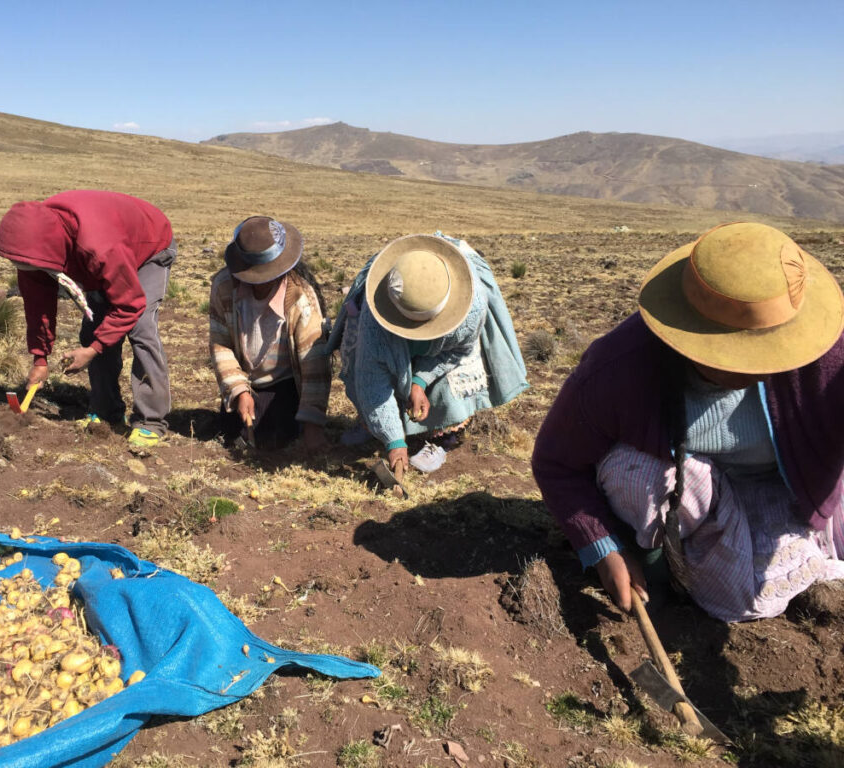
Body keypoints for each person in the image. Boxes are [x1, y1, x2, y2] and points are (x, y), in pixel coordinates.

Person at [532, 222, 844, 623]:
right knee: (638, 477)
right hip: (695, 492)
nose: (759, 365)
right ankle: (662, 560)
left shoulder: (828, 355)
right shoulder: (618, 367)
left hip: (790, 487)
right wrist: (603, 548)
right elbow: (556, 463)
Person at [326, 232, 528, 473]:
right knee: (363, 356)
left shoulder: (470, 309)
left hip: (455, 341)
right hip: (383, 322)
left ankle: (442, 438)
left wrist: (419, 382)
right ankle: (375, 425)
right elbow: (372, 377)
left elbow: (456, 353)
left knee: (453, 379)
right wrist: (394, 442)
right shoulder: (377, 315)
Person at [0, 190, 176, 448]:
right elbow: (38, 307)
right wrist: (40, 358)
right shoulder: (31, 249)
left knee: (140, 327)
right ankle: (105, 411)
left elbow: (129, 305)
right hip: (102, 254)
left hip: (149, 247)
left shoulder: (99, 246)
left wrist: (93, 350)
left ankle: (151, 421)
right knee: (94, 328)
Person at [208, 216, 330, 451]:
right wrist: (239, 391)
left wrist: (313, 424)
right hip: (245, 379)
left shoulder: (300, 298)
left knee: (276, 435)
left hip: (283, 381)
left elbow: (314, 364)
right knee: (235, 431)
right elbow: (220, 343)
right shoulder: (224, 286)